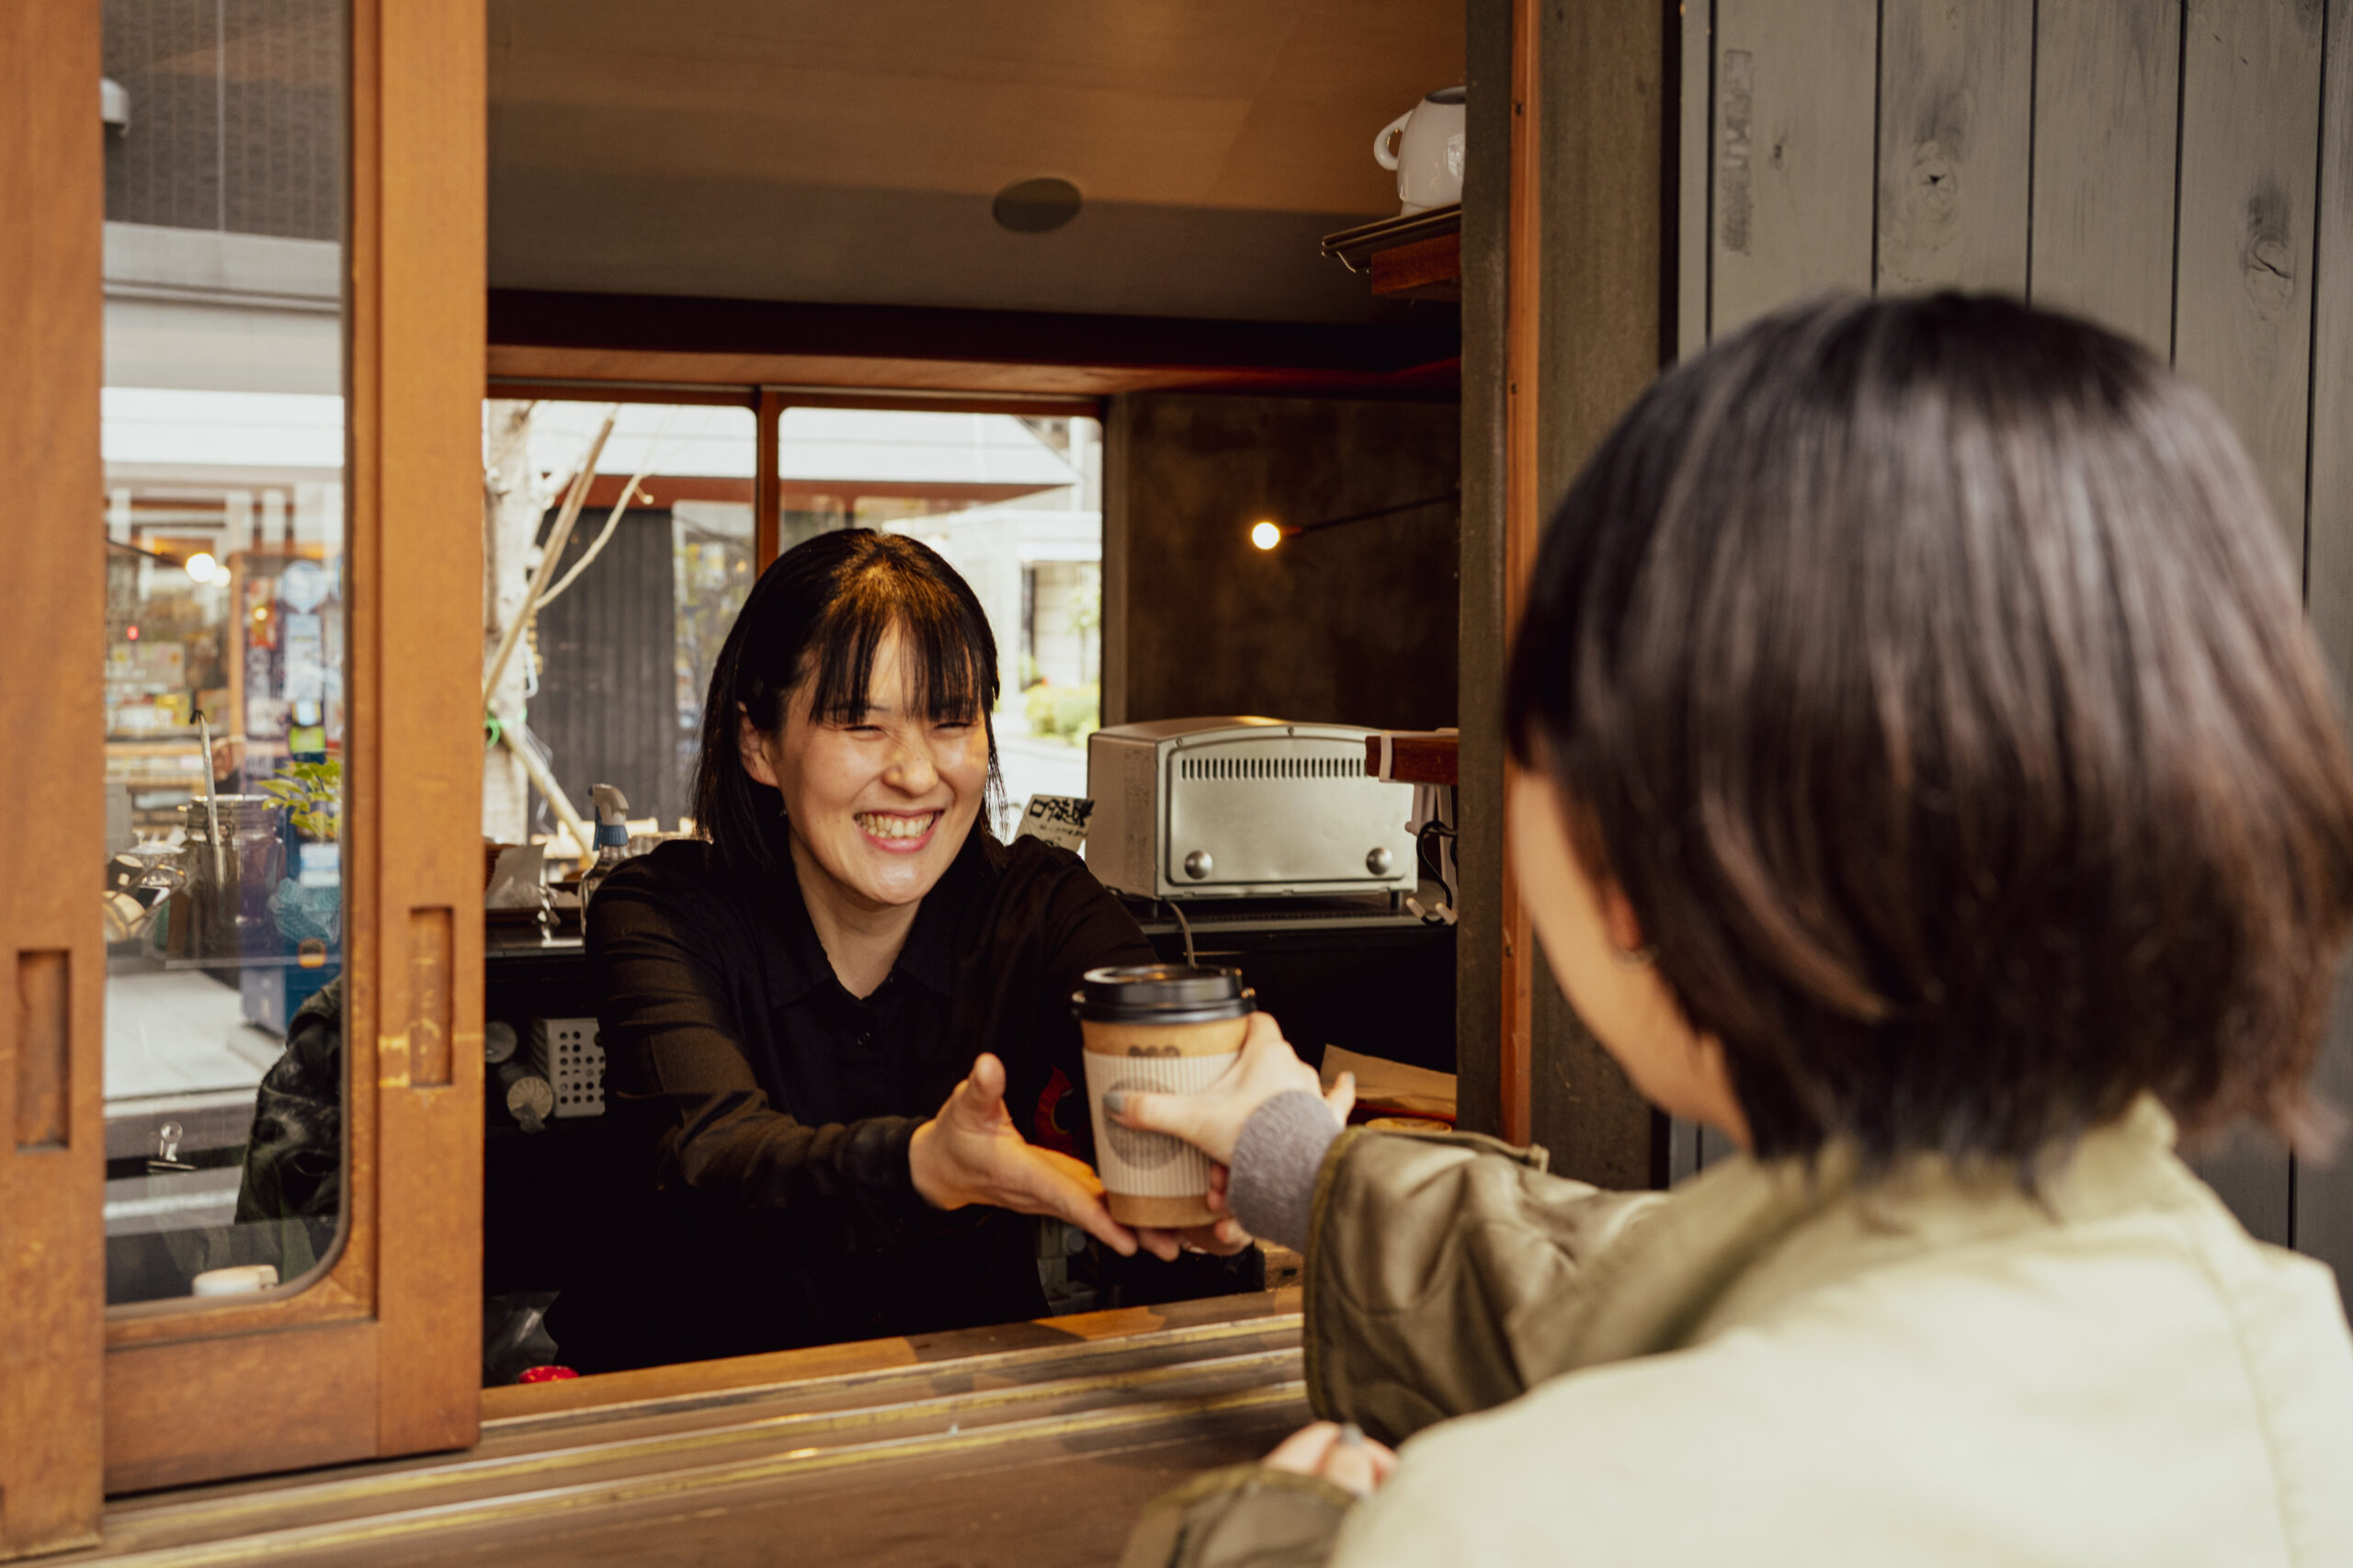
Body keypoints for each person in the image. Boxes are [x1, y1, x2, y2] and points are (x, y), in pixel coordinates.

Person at [1111, 293, 2353, 1565]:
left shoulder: (1487, 1523)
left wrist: (1268, 1535)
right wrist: (1303, 1164)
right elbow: (1618, 1282)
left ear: (1635, 853)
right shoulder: (2286, 1358)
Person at [549, 529, 1242, 1371]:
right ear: (758, 744)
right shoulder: (661, 913)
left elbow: (1155, 1027)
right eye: (860, 724)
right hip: (692, 1418)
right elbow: (710, 1156)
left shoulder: (1040, 902)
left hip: (965, 1408)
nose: (917, 774)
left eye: (951, 720)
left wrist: (1227, 1110)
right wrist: (926, 1165)